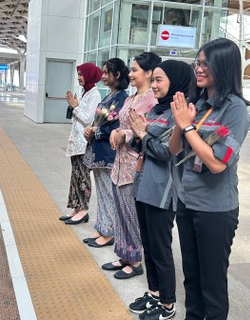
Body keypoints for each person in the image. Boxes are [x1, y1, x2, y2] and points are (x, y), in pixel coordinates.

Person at [168, 38, 250, 320]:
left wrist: (187, 125)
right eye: (198, 63)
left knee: (212, 283)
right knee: (191, 278)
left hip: (216, 210)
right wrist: (181, 124)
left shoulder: (235, 110)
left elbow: (217, 163)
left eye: (206, 64)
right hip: (187, 202)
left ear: (223, 66)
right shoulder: (199, 104)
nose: (199, 70)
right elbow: (174, 149)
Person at [127, 60, 193, 320]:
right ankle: (154, 292)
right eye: (152, 80)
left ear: (175, 81)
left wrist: (143, 135)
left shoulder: (179, 113)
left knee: (161, 248)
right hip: (143, 186)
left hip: (163, 191)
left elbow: (166, 153)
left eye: (159, 80)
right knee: (148, 245)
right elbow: (141, 145)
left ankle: (167, 303)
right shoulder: (156, 110)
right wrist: (136, 135)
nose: (153, 85)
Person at [103, 52, 161, 279]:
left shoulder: (151, 100)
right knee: (120, 211)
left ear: (148, 73)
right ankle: (124, 254)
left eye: (135, 70)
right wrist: (116, 132)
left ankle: (136, 260)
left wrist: (123, 134)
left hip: (134, 165)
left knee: (131, 214)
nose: (130, 74)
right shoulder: (130, 99)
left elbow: (148, 129)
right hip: (119, 163)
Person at [81, 58, 129, 244]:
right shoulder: (109, 96)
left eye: (106, 72)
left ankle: (109, 232)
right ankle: (102, 227)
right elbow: (100, 121)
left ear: (117, 75)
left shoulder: (122, 99)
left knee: (109, 193)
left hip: (109, 153)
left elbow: (117, 126)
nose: (102, 76)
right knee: (102, 193)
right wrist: (91, 129)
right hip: (99, 151)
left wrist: (97, 130)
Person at [59, 62, 102, 224]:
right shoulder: (86, 93)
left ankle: (83, 210)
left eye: (81, 74)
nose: (79, 78)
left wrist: (75, 106)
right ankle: (76, 208)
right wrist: (75, 106)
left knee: (83, 177)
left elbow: (89, 119)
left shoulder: (95, 95)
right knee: (75, 176)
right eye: (78, 74)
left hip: (85, 143)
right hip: (76, 142)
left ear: (90, 75)